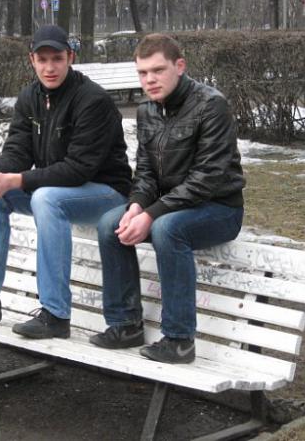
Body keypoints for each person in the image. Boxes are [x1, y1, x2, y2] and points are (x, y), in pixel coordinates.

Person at [0, 25, 132, 339]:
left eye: (57, 58)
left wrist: (17, 179)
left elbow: (78, 169)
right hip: (57, 190)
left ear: (71, 57)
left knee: (46, 199)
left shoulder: (93, 100)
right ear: (32, 60)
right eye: (42, 60)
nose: (49, 67)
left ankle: (55, 315)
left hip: (107, 194)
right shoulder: (30, 97)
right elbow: (17, 150)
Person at [89, 34, 245, 364]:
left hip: (219, 208)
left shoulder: (211, 105)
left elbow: (207, 178)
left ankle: (179, 340)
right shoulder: (147, 110)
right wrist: (136, 205)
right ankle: (125, 325)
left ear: (180, 66)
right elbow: (146, 172)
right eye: (143, 73)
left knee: (166, 229)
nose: (150, 80)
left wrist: (151, 214)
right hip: (171, 206)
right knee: (110, 224)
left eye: (158, 70)